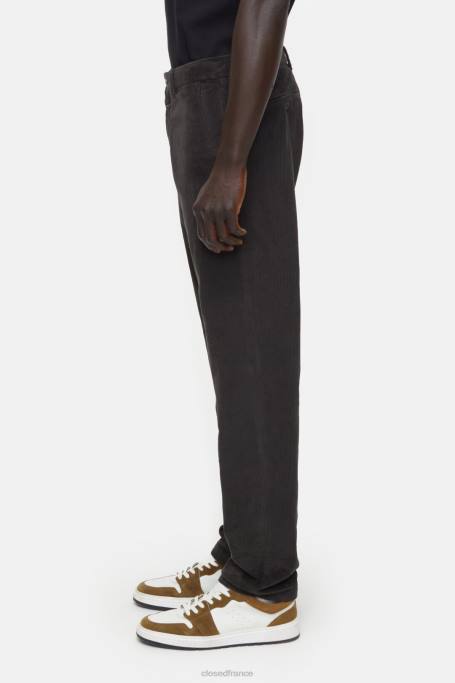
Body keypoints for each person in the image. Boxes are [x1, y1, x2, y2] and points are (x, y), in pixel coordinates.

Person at [135, 0, 303, 650]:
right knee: (237, 358)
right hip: (207, 96)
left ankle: (263, 589)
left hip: (236, 108)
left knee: (255, 357)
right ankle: (242, 551)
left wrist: (231, 161)